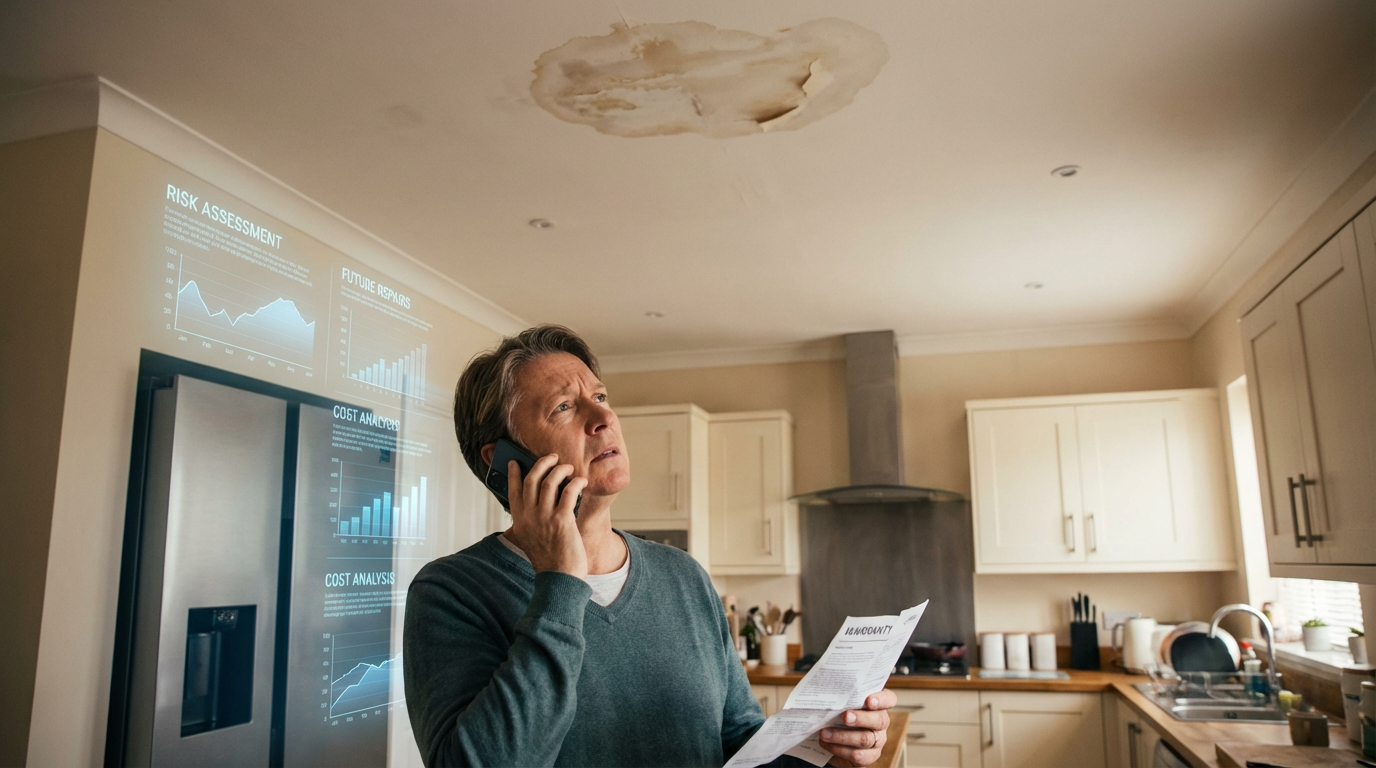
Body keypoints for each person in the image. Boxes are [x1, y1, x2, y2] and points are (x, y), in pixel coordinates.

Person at [403, 325, 896, 767]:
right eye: (565, 407)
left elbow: (739, 744)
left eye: (600, 396)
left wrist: (827, 752)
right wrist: (559, 583)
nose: (604, 417)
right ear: (504, 462)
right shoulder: (451, 591)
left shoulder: (684, 577)